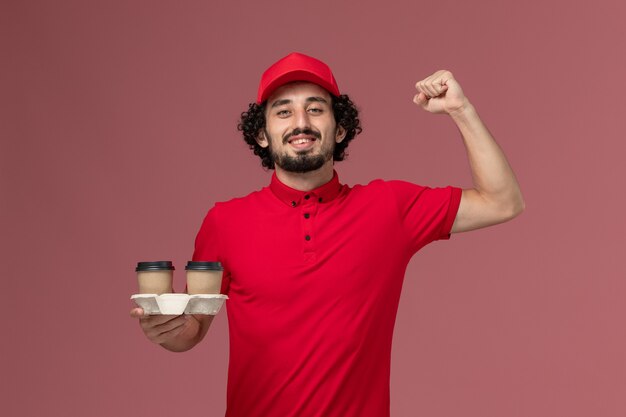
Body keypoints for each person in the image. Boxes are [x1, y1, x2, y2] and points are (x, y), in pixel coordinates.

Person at [130, 52, 524, 417]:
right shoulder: (224, 221)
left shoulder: (390, 207)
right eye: (283, 112)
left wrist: (461, 110)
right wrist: (169, 330)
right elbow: (193, 330)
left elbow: (502, 201)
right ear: (262, 135)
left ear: (340, 129)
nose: (300, 122)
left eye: (315, 109)